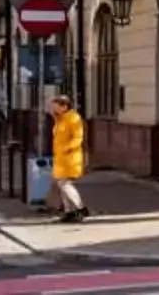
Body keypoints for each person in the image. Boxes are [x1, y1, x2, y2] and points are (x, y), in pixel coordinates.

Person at [44, 93, 89, 224]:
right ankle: (69, 211)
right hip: (60, 158)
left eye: (56, 106)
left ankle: (81, 208)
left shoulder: (73, 118)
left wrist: (67, 149)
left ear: (64, 106)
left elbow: (78, 138)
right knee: (61, 185)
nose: (54, 109)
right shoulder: (60, 119)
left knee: (65, 184)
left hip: (70, 157)